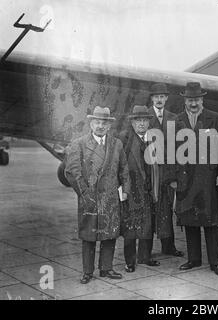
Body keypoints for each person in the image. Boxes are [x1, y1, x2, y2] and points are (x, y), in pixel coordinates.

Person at [65, 106, 130, 284]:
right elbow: (71, 171)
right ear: (91, 124)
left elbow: (124, 169)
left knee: (110, 234)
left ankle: (106, 268)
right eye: (97, 122)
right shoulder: (78, 144)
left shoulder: (117, 144)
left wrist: (125, 190)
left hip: (110, 197)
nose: (100, 126)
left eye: (104, 123)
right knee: (89, 235)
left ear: (109, 126)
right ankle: (87, 271)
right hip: (90, 198)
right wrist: (84, 193)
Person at [175, 82, 218, 276]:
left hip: (208, 178)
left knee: (210, 220)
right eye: (190, 100)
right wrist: (174, 178)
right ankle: (194, 259)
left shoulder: (215, 119)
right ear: (185, 101)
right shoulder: (177, 120)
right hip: (186, 180)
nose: (193, 103)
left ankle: (215, 262)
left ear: (202, 99)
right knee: (190, 219)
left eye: (196, 99)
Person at [119, 105, 162, 272]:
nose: (142, 124)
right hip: (132, 189)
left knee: (148, 225)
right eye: (138, 120)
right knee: (130, 227)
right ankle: (130, 261)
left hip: (149, 189)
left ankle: (145, 256)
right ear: (132, 122)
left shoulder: (153, 139)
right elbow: (119, 165)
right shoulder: (124, 138)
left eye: (144, 120)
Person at [147, 83, 184, 257]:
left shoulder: (173, 118)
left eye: (162, 96)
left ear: (167, 98)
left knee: (167, 208)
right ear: (152, 98)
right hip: (150, 171)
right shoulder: (144, 117)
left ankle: (168, 246)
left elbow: (178, 147)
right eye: (156, 97)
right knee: (149, 208)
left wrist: (175, 173)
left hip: (168, 172)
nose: (159, 100)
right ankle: (145, 250)